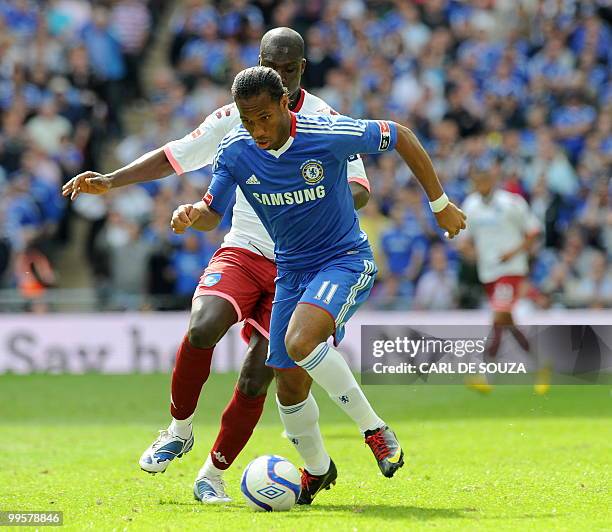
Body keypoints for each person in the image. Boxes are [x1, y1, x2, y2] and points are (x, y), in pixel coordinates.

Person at [61, 28, 371, 503]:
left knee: (255, 377)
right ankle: (179, 428)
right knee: (203, 327)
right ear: (261, 62)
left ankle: (213, 473)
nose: (283, 81)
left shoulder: (328, 121)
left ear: (302, 68)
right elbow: (175, 156)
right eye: (275, 68)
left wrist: (309, 203)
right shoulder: (239, 116)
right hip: (245, 249)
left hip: (303, 264)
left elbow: (360, 187)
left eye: (291, 71)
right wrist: (111, 179)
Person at [171, 66, 466, 504]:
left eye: (264, 118)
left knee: (301, 341)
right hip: (291, 272)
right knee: (288, 388)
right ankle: (316, 470)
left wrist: (439, 204)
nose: (257, 130)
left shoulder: (327, 134)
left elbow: (401, 135)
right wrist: (195, 213)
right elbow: (214, 209)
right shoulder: (235, 151)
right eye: (247, 121)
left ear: (286, 104)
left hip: (343, 260)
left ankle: (374, 429)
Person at [460, 165, 549, 394]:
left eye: (483, 180)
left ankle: (483, 373)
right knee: (506, 321)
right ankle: (541, 366)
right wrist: (467, 250)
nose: (479, 185)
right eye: (476, 181)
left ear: (492, 179)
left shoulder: (512, 203)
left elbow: (533, 232)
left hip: (511, 269)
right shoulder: (471, 205)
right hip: (487, 272)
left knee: (499, 316)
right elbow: (464, 238)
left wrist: (515, 251)